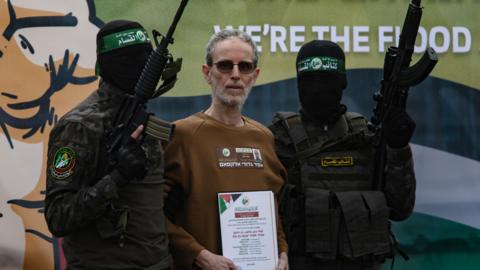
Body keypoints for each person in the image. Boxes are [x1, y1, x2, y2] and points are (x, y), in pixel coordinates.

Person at [269, 40, 416, 270]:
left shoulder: (365, 135)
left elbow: (400, 209)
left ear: (343, 82)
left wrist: (399, 149)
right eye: (310, 81)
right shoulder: (279, 138)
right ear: (298, 84)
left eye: (327, 80)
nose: (318, 89)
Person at [44, 20, 171, 269]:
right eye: (129, 59)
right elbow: (58, 216)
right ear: (108, 64)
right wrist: (116, 177)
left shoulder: (143, 117)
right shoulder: (78, 126)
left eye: (147, 58)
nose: (141, 65)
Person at [163, 29, 288, 270]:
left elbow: (275, 210)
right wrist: (197, 254)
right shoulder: (181, 134)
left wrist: (281, 251)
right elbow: (150, 214)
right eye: (224, 66)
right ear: (207, 73)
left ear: (256, 75)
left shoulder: (264, 138)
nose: (235, 75)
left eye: (245, 67)